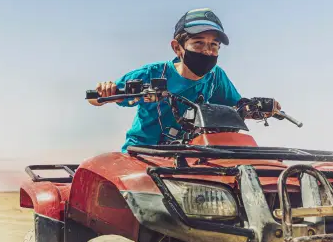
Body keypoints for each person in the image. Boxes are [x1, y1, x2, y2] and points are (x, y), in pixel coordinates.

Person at [89, 8, 278, 152]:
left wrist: (261, 109)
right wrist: (105, 92)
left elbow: (239, 107)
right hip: (143, 153)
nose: (207, 51)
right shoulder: (154, 73)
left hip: (189, 155)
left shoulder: (216, 77)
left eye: (214, 45)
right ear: (177, 48)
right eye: (198, 43)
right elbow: (96, 98)